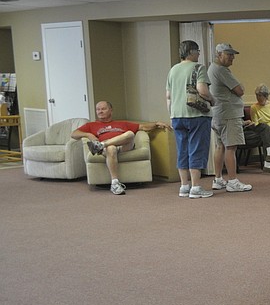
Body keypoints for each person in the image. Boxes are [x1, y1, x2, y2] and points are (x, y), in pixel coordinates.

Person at [72, 101, 171, 195]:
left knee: (130, 134)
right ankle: (115, 183)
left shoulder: (122, 123)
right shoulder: (91, 125)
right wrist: (88, 134)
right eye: (98, 109)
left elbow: (144, 127)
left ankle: (101, 145)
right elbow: (74, 134)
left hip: (124, 146)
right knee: (111, 148)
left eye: (103, 109)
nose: (100, 111)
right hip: (108, 150)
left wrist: (157, 123)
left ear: (111, 110)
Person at [165, 40, 215, 198]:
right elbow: (203, 91)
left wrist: (172, 114)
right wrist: (213, 100)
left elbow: (168, 96)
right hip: (196, 115)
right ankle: (196, 187)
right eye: (198, 51)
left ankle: (184, 186)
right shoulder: (198, 67)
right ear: (192, 52)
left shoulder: (173, 70)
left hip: (176, 115)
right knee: (197, 149)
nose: (199, 54)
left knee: (182, 150)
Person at [208, 43, 252, 192]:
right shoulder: (221, 70)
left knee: (219, 146)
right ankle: (233, 181)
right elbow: (240, 90)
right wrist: (241, 87)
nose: (232, 58)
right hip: (228, 114)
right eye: (228, 54)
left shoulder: (212, 69)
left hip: (218, 114)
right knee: (231, 147)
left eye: (233, 55)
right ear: (219, 55)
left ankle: (218, 179)